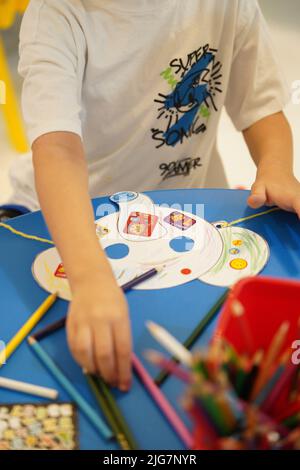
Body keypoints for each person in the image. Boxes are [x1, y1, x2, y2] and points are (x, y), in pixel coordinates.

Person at [2, 0, 300, 391]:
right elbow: (57, 149)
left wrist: (276, 167)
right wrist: (90, 277)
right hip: (76, 215)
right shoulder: (57, 13)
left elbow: (261, 107)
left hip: (186, 208)